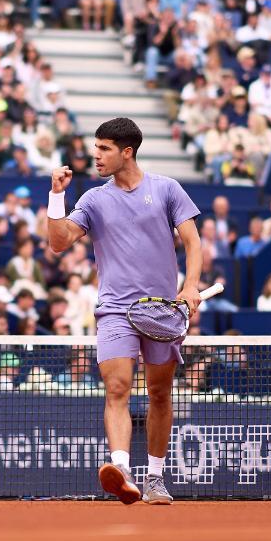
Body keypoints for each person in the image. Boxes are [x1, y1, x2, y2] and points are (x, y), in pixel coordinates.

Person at [46, 117, 204, 506]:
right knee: (117, 388)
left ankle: (155, 477)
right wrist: (55, 197)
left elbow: (192, 242)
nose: (95, 156)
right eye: (95, 147)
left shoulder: (167, 189)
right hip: (115, 309)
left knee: (159, 393)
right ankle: (123, 472)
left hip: (163, 312)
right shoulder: (93, 199)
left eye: (104, 149)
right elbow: (58, 242)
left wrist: (189, 286)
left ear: (126, 152)